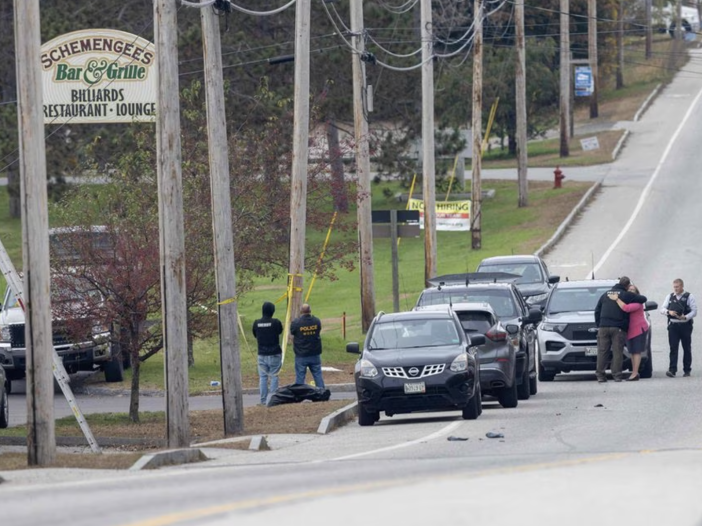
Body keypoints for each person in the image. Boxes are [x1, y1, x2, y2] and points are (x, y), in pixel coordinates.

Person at [594, 276, 647, 383]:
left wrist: (599, 325)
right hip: (617, 328)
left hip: (603, 327)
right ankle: (617, 375)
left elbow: (597, 310)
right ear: (627, 286)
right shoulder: (624, 294)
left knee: (602, 351)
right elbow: (643, 299)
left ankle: (600, 375)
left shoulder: (605, 294)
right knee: (617, 351)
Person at [611, 283, 649, 381]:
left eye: (633, 290)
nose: (630, 291)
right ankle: (633, 372)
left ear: (636, 293)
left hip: (638, 329)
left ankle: (635, 373)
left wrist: (616, 299)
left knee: (636, 351)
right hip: (630, 330)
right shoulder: (627, 301)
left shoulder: (637, 302)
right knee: (632, 352)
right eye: (629, 290)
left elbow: (626, 308)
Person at [660, 279, 697, 377]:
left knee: (686, 348)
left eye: (677, 287)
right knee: (673, 348)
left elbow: (694, 311)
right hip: (673, 325)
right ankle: (672, 370)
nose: (675, 289)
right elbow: (662, 309)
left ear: (682, 286)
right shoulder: (670, 296)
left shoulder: (689, 296)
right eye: (674, 287)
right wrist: (669, 312)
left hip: (685, 325)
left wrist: (685, 317)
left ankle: (687, 370)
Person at [252, 301, 283, 405]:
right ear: (272, 311)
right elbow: (280, 331)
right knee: (274, 376)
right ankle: (272, 400)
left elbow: (255, 334)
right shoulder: (276, 322)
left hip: (262, 354)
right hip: (274, 353)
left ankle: (263, 401)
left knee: (263, 378)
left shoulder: (256, 323)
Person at [290, 303, 325, 388]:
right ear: (310, 311)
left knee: (300, 378)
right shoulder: (316, 321)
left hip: (301, 354)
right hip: (314, 353)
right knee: (317, 375)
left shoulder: (296, 323)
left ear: (301, 311)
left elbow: (292, 332)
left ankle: (300, 394)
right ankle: (321, 393)